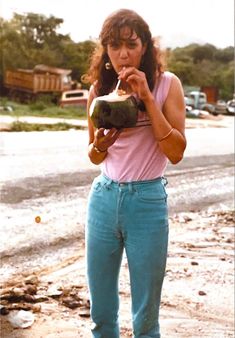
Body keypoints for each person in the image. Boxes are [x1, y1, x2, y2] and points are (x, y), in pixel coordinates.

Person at [84, 8, 186, 338]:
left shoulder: (167, 85)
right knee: (100, 313)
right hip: (103, 199)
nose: (123, 53)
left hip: (147, 202)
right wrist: (100, 143)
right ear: (106, 52)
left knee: (145, 317)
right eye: (114, 46)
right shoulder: (98, 92)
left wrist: (146, 99)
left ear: (144, 47)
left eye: (131, 43)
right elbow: (93, 155)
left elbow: (176, 152)